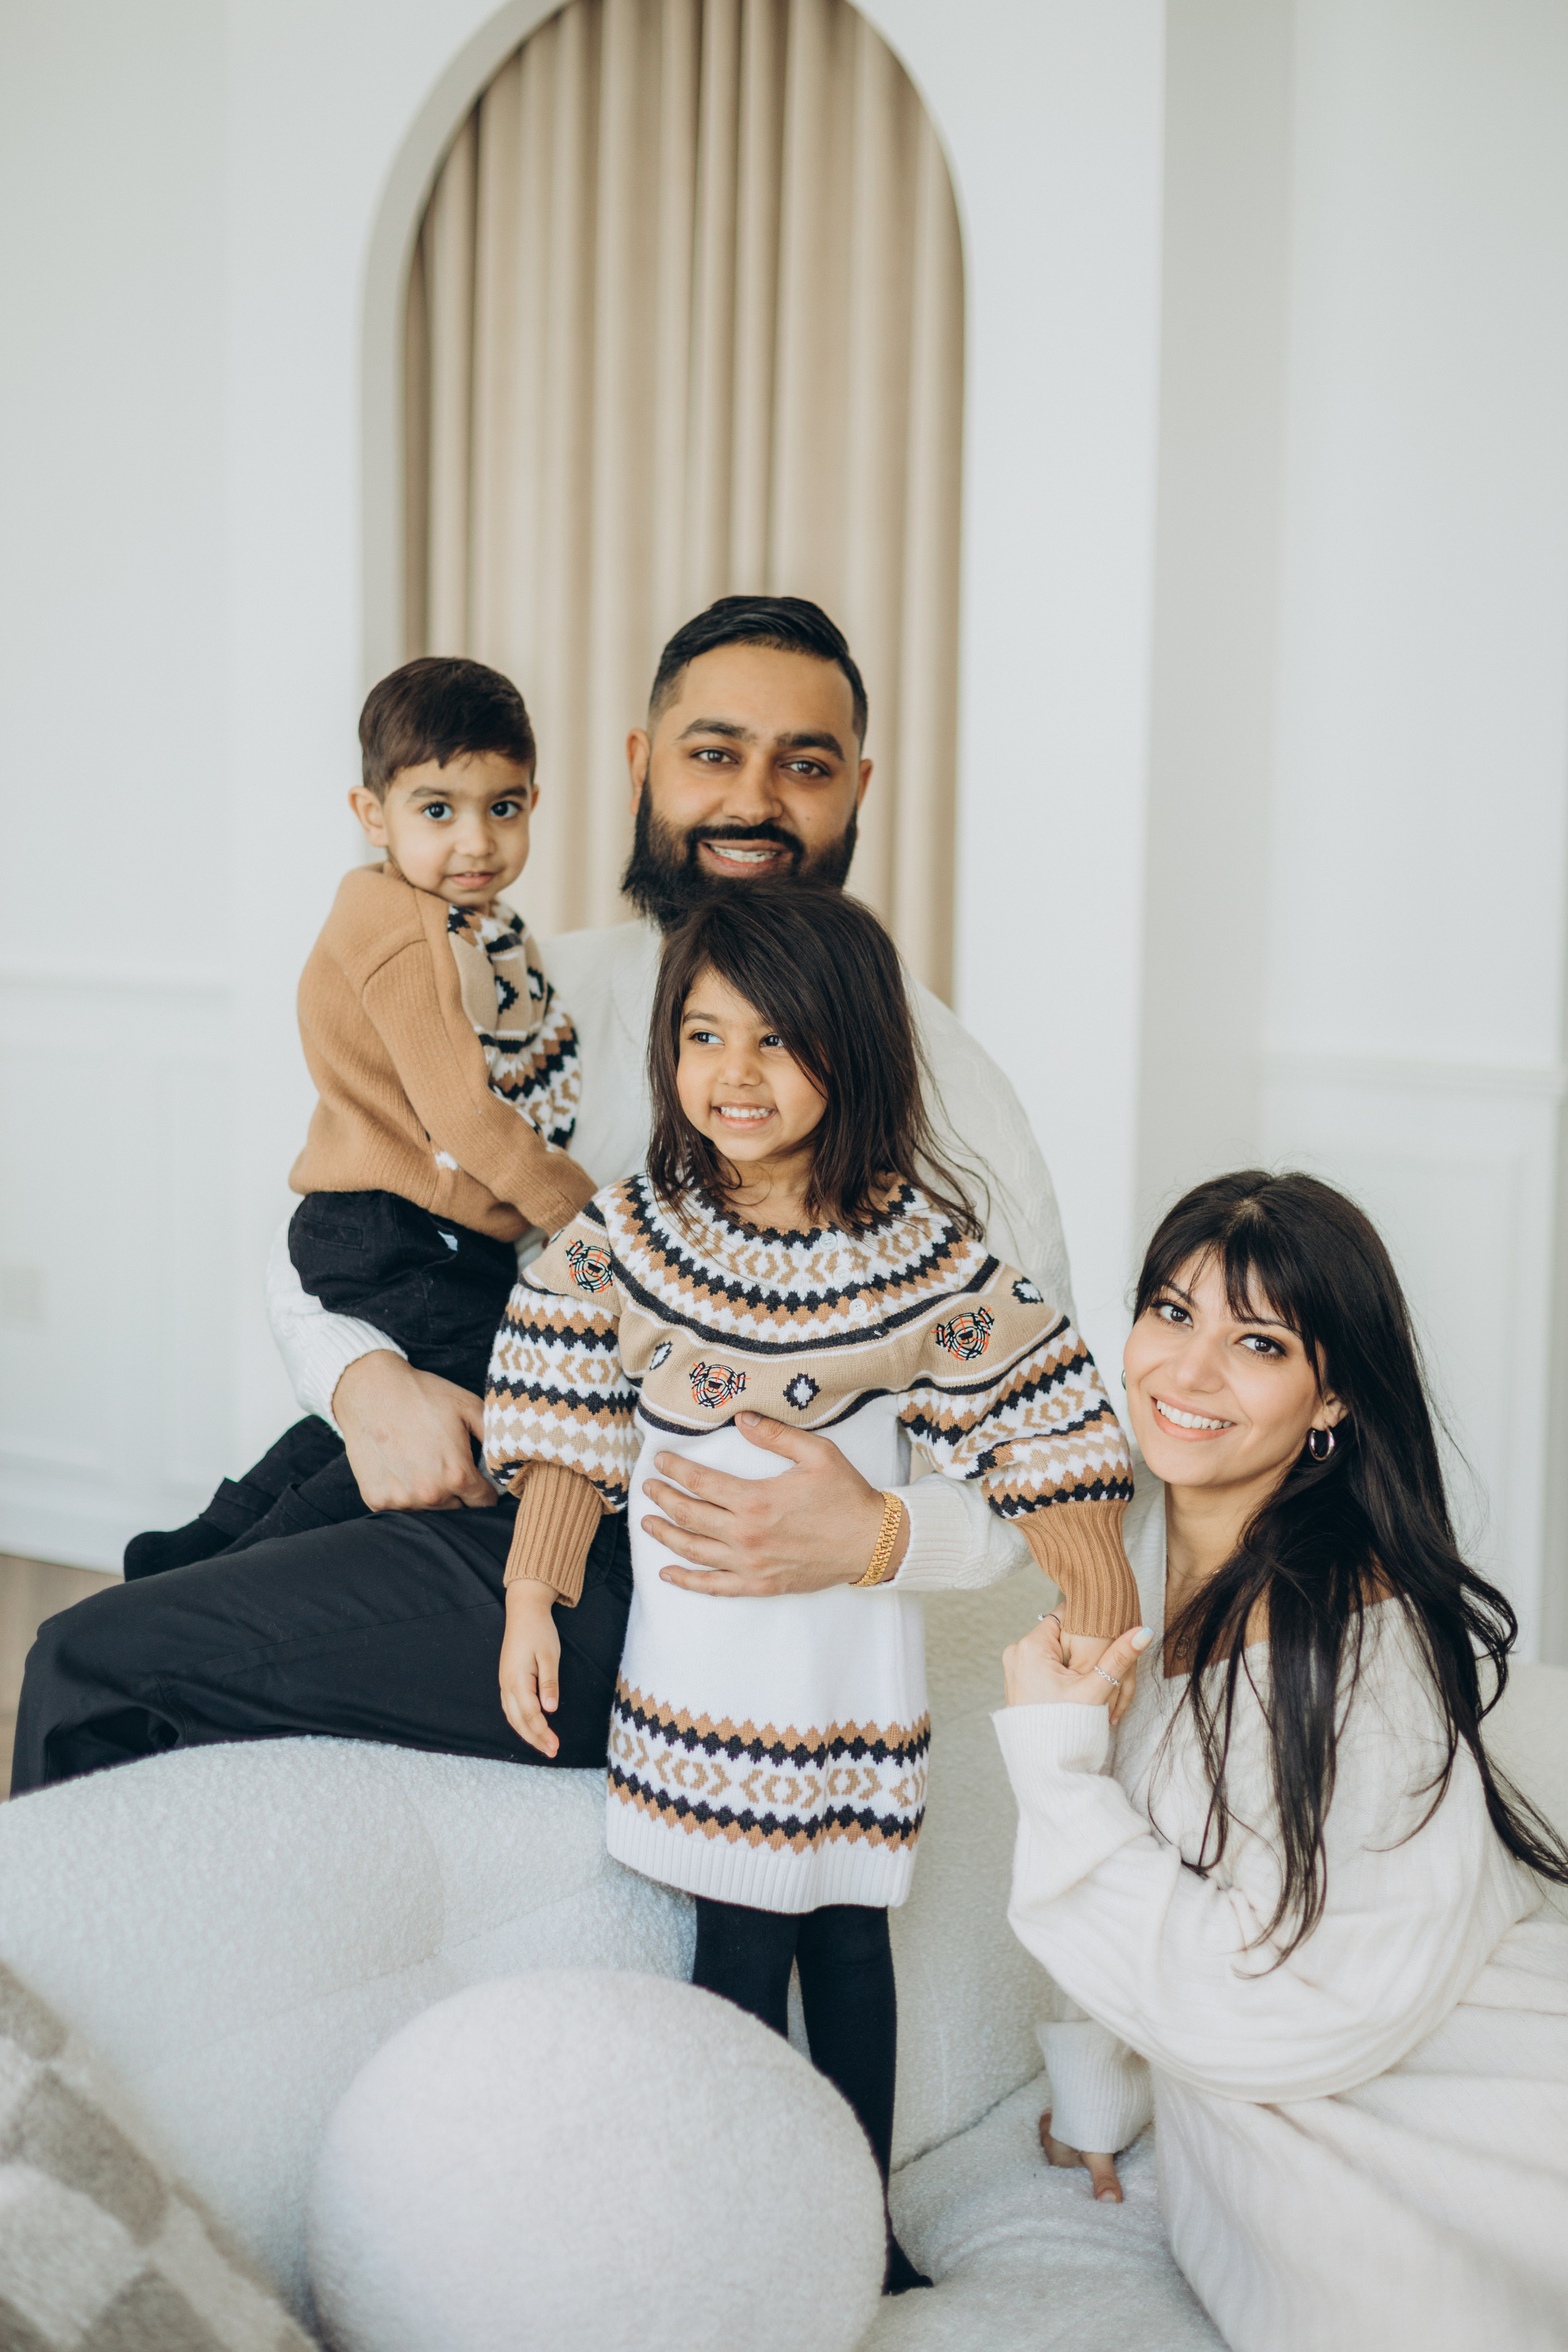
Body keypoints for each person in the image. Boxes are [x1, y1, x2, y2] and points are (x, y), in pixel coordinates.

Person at [11, 597, 1089, 1796]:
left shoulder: (952, 1102)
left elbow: (1043, 1460)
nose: (753, 801)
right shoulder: (535, 987)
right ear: (640, 768)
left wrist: (877, 1535)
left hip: (653, 1586)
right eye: (714, 753)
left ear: (858, 789)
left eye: (805, 764)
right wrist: (363, 1386)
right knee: (145, 1600)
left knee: (92, 1663)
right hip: (474, 1445)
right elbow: (343, 1205)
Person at [486, 880, 1134, 2292]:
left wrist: (1093, 1593)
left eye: (776, 1040)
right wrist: (535, 1591)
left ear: (854, 1052)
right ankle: (734, 2223)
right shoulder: (628, 1237)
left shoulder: (915, 1258)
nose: (735, 1072)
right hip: (704, 1681)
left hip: (847, 1682)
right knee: (734, 1948)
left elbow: (1041, 1416)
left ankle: (860, 2226)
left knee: (849, 1944)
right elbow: (563, 1411)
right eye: (704, 1035)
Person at [995, 1170, 1568, 2350]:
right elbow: (1167, 1853)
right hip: (1274, 2094)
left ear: (1332, 1396)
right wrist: (1098, 2090)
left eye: (1258, 1343)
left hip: (1432, 2089)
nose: (1189, 1371)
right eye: (1171, 1312)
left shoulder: (1349, 1642)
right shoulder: (1125, 1543)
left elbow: (1302, 2009)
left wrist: (1053, 1770)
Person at [126, 656, 593, 1577]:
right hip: (395, 1225)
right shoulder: (405, 930)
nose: (476, 840)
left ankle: (197, 1549)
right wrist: (589, 1221)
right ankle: (225, 1583)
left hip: (395, 1221)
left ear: (534, 803)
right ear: (372, 815)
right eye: (437, 809)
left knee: (383, 1409)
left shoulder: (472, 927)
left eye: (503, 807)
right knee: (482, 1393)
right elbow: (464, 1112)